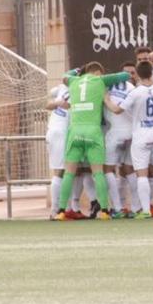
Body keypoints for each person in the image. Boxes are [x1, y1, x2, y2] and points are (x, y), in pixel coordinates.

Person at [54, 63, 130, 221]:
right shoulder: (100, 81)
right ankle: (104, 211)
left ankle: (61, 211)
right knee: (98, 172)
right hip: (93, 132)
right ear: (97, 73)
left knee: (69, 173)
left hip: (75, 132)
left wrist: (75, 70)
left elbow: (64, 77)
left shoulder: (74, 81)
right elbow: (125, 76)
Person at [109, 60, 153, 219]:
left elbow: (117, 110)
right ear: (151, 73)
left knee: (142, 174)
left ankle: (145, 210)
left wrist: (106, 99)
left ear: (137, 74)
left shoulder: (135, 92)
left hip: (141, 136)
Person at [103, 63, 136, 218]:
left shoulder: (104, 85)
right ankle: (137, 207)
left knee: (108, 170)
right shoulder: (131, 87)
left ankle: (117, 208)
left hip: (115, 131)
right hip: (131, 132)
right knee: (129, 170)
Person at [44, 80, 70, 220]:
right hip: (61, 132)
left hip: (54, 131)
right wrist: (60, 103)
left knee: (68, 171)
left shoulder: (62, 88)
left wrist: (57, 102)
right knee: (60, 171)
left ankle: (68, 208)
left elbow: (49, 103)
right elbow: (48, 104)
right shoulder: (69, 87)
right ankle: (55, 210)